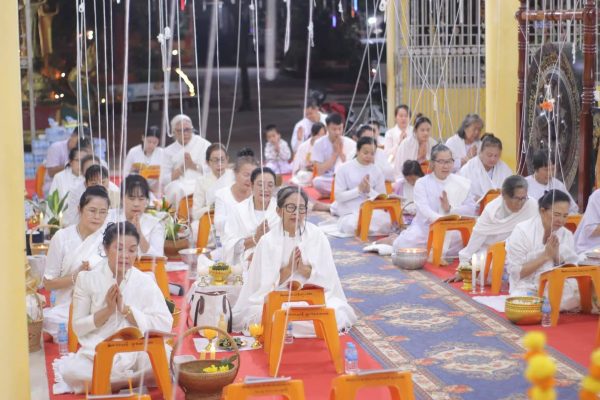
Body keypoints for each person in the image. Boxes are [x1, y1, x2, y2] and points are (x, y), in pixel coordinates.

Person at [52, 222, 173, 394]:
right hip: (98, 351)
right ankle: (130, 381)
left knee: (168, 357)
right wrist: (107, 311)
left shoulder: (145, 281)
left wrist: (126, 311)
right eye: (119, 248)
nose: (126, 256)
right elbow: (78, 327)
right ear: (106, 248)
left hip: (138, 351)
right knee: (73, 371)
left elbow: (164, 323)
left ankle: (110, 382)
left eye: (132, 250)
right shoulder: (87, 279)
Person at [232, 186, 357, 334]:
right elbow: (261, 287)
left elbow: (328, 279)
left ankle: (289, 327)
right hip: (280, 299)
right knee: (262, 315)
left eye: (301, 208)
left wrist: (303, 270)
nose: (296, 213)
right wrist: (288, 269)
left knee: (336, 312)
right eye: (291, 207)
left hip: (312, 299)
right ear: (279, 211)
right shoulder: (267, 241)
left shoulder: (316, 235)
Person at [42, 186, 110, 340]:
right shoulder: (62, 238)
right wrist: (76, 277)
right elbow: (48, 284)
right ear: (80, 209)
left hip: (99, 306)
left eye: (102, 212)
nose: (97, 217)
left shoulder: (108, 239)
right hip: (67, 308)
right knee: (52, 321)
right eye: (92, 210)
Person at [391, 144, 476, 259]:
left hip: (454, 230)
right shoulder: (422, 183)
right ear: (432, 164)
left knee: (473, 240)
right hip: (426, 229)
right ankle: (393, 239)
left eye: (449, 161)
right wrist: (442, 221)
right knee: (404, 244)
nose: (446, 166)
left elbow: (471, 208)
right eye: (441, 162)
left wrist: (450, 209)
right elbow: (424, 209)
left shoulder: (461, 183)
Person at [505, 190, 579, 310]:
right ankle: (547, 304)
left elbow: (571, 270)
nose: (561, 220)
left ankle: (547, 304)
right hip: (527, 286)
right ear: (542, 211)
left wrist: (557, 257)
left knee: (580, 293)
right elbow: (517, 272)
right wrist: (545, 256)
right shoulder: (522, 231)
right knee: (521, 300)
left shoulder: (566, 234)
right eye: (557, 214)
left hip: (556, 285)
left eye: (565, 216)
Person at [457, 175, 538, 265]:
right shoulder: (492, 211)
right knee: (481, 263)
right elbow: (477, 236)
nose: (521, 203)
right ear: (504, 196)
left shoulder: (531, 205)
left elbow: (538, 232)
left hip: (522, 251)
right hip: (494, 250)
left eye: (523, 198)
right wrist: (465, 259)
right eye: (517, 198)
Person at [222, 167, 280, 276]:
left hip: (273, 264)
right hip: (243, 265)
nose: (265, 189)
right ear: (252, 186)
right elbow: (229, 245)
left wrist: (260, 256)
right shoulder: (238, 211)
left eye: (270, 185)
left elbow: (286, 243)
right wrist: (255, 239)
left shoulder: (281, 211)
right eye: (260, 184)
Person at [331, 137, 389, 235]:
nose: (369, 156)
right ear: (357, 151)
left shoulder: (377, 171)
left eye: (372, 154)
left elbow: (383, 198)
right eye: (365, 153)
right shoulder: (344, 168)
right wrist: (358, 190)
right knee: (351, 226)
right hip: (349, 210)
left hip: (371, 210)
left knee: (387, 223)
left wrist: (369, 191)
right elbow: (338, 196)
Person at [161, 114, 211, 204]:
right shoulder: (168, 151)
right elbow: (164, 179)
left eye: (187, 129)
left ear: (192, 129)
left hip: (200, 181)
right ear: (173, 132)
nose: (185, 133)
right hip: (179, 183)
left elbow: (214, 169)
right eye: (180, 131)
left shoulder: (203, 144)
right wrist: (181, 169)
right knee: (176, 189)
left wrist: (193, 166)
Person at [109, 175, 165, 257]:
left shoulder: (155, 224)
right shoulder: (110, 217)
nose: (136, 204)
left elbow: (158, 257)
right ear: (121, 199)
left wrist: (139, 233)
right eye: (131, 199)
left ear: (147, 200)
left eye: (141, 199)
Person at [213, 149, 259, 238]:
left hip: (252, 240)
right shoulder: (222, 194)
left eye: (253, 176)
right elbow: (218, 224)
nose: (250, 179)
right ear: (235, 173)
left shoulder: (257, 195)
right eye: (246, 175)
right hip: (227, 240)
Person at [311, 113, 356, 197]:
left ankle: (337, 192)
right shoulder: (319, 143)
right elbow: (320, 171)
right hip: (329, 178)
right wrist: (335, 154)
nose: (337, 132)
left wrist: (340, 153)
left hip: (346, 179)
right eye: (334, 129)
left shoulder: (350, 143)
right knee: (317, 182)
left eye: (340, 129)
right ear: (327, 128)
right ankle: (343, 193)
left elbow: (353, 167)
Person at [458, 133, 513, 202]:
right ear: (481, 152)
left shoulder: (504, 168)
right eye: (489, 155)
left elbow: (512, 189)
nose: (493, 159)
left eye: (496, 156)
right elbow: (461, 191)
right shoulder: (469, 168)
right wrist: (477, 199)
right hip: (475, 206)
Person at [525, 149, 578, 214]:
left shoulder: (558, 185)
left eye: (552, 169)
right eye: (546, 170)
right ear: (536, 169)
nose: (550, 173)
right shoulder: (524, 185)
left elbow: (573, 209)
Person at [191, 143, 235, 221]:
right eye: (215, 160)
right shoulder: (201, 181)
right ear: (208, 162)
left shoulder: (235, 176)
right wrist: (213, 207)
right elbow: (195, 213)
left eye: (222, 159)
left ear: (227, 159)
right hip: (210, 220)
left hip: (233, 217)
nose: (219, 164)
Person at [44, 127, 89, 194]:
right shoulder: (56, 147)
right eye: (79, 141)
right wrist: (70, 165)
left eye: (82, 142)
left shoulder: (84, 150)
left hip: (75, 184)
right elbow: (51, 172)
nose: (79, 144)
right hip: (53, 185)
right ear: (73, 135)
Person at [123, 126, 164, 197]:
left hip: (156, 188)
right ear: (143, 138)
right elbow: (125, 173)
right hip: (137, 186)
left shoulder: (162, 153)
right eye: (149, 141)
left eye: (155, 142)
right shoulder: (133, 152)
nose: (151, 145)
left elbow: (165, 174)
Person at [393, 114, 437, 178]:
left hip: (429, 176)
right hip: (409, 176)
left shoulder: (433, 143)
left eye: (428, 130)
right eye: (422, 130)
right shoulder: (406, 143)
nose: (426, 133)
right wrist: (419, 157)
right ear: (415, 131)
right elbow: (403, 166)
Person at [290, 122, 327, 186]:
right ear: (313, 134)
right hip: (307, 172)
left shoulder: (325, 146)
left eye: (323, 135)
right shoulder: (303, 146)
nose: (321, 138)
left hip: (321, 173)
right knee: (304, 175)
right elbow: (298, 165)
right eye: (319, 135)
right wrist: (310, 166)